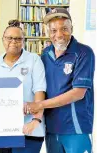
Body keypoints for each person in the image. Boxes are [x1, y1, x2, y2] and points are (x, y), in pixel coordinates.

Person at [26, 8, 95, 153]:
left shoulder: (84, 53)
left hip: (75, 128)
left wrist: (39, 104)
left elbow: (78, 93)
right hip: (51, 128)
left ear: (72, 29)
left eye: (64, 29)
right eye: (53, 30)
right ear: (48, 33)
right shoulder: (45, 54)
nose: (59, 35)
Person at [0, 20, 46, 153]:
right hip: (3, 130)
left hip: (29, 129)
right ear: (3, 39)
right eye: (9, 38)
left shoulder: (33, 60)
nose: (13, 41)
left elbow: (39, 90)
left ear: (24, 40)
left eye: (18, 38)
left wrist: (36, 120)